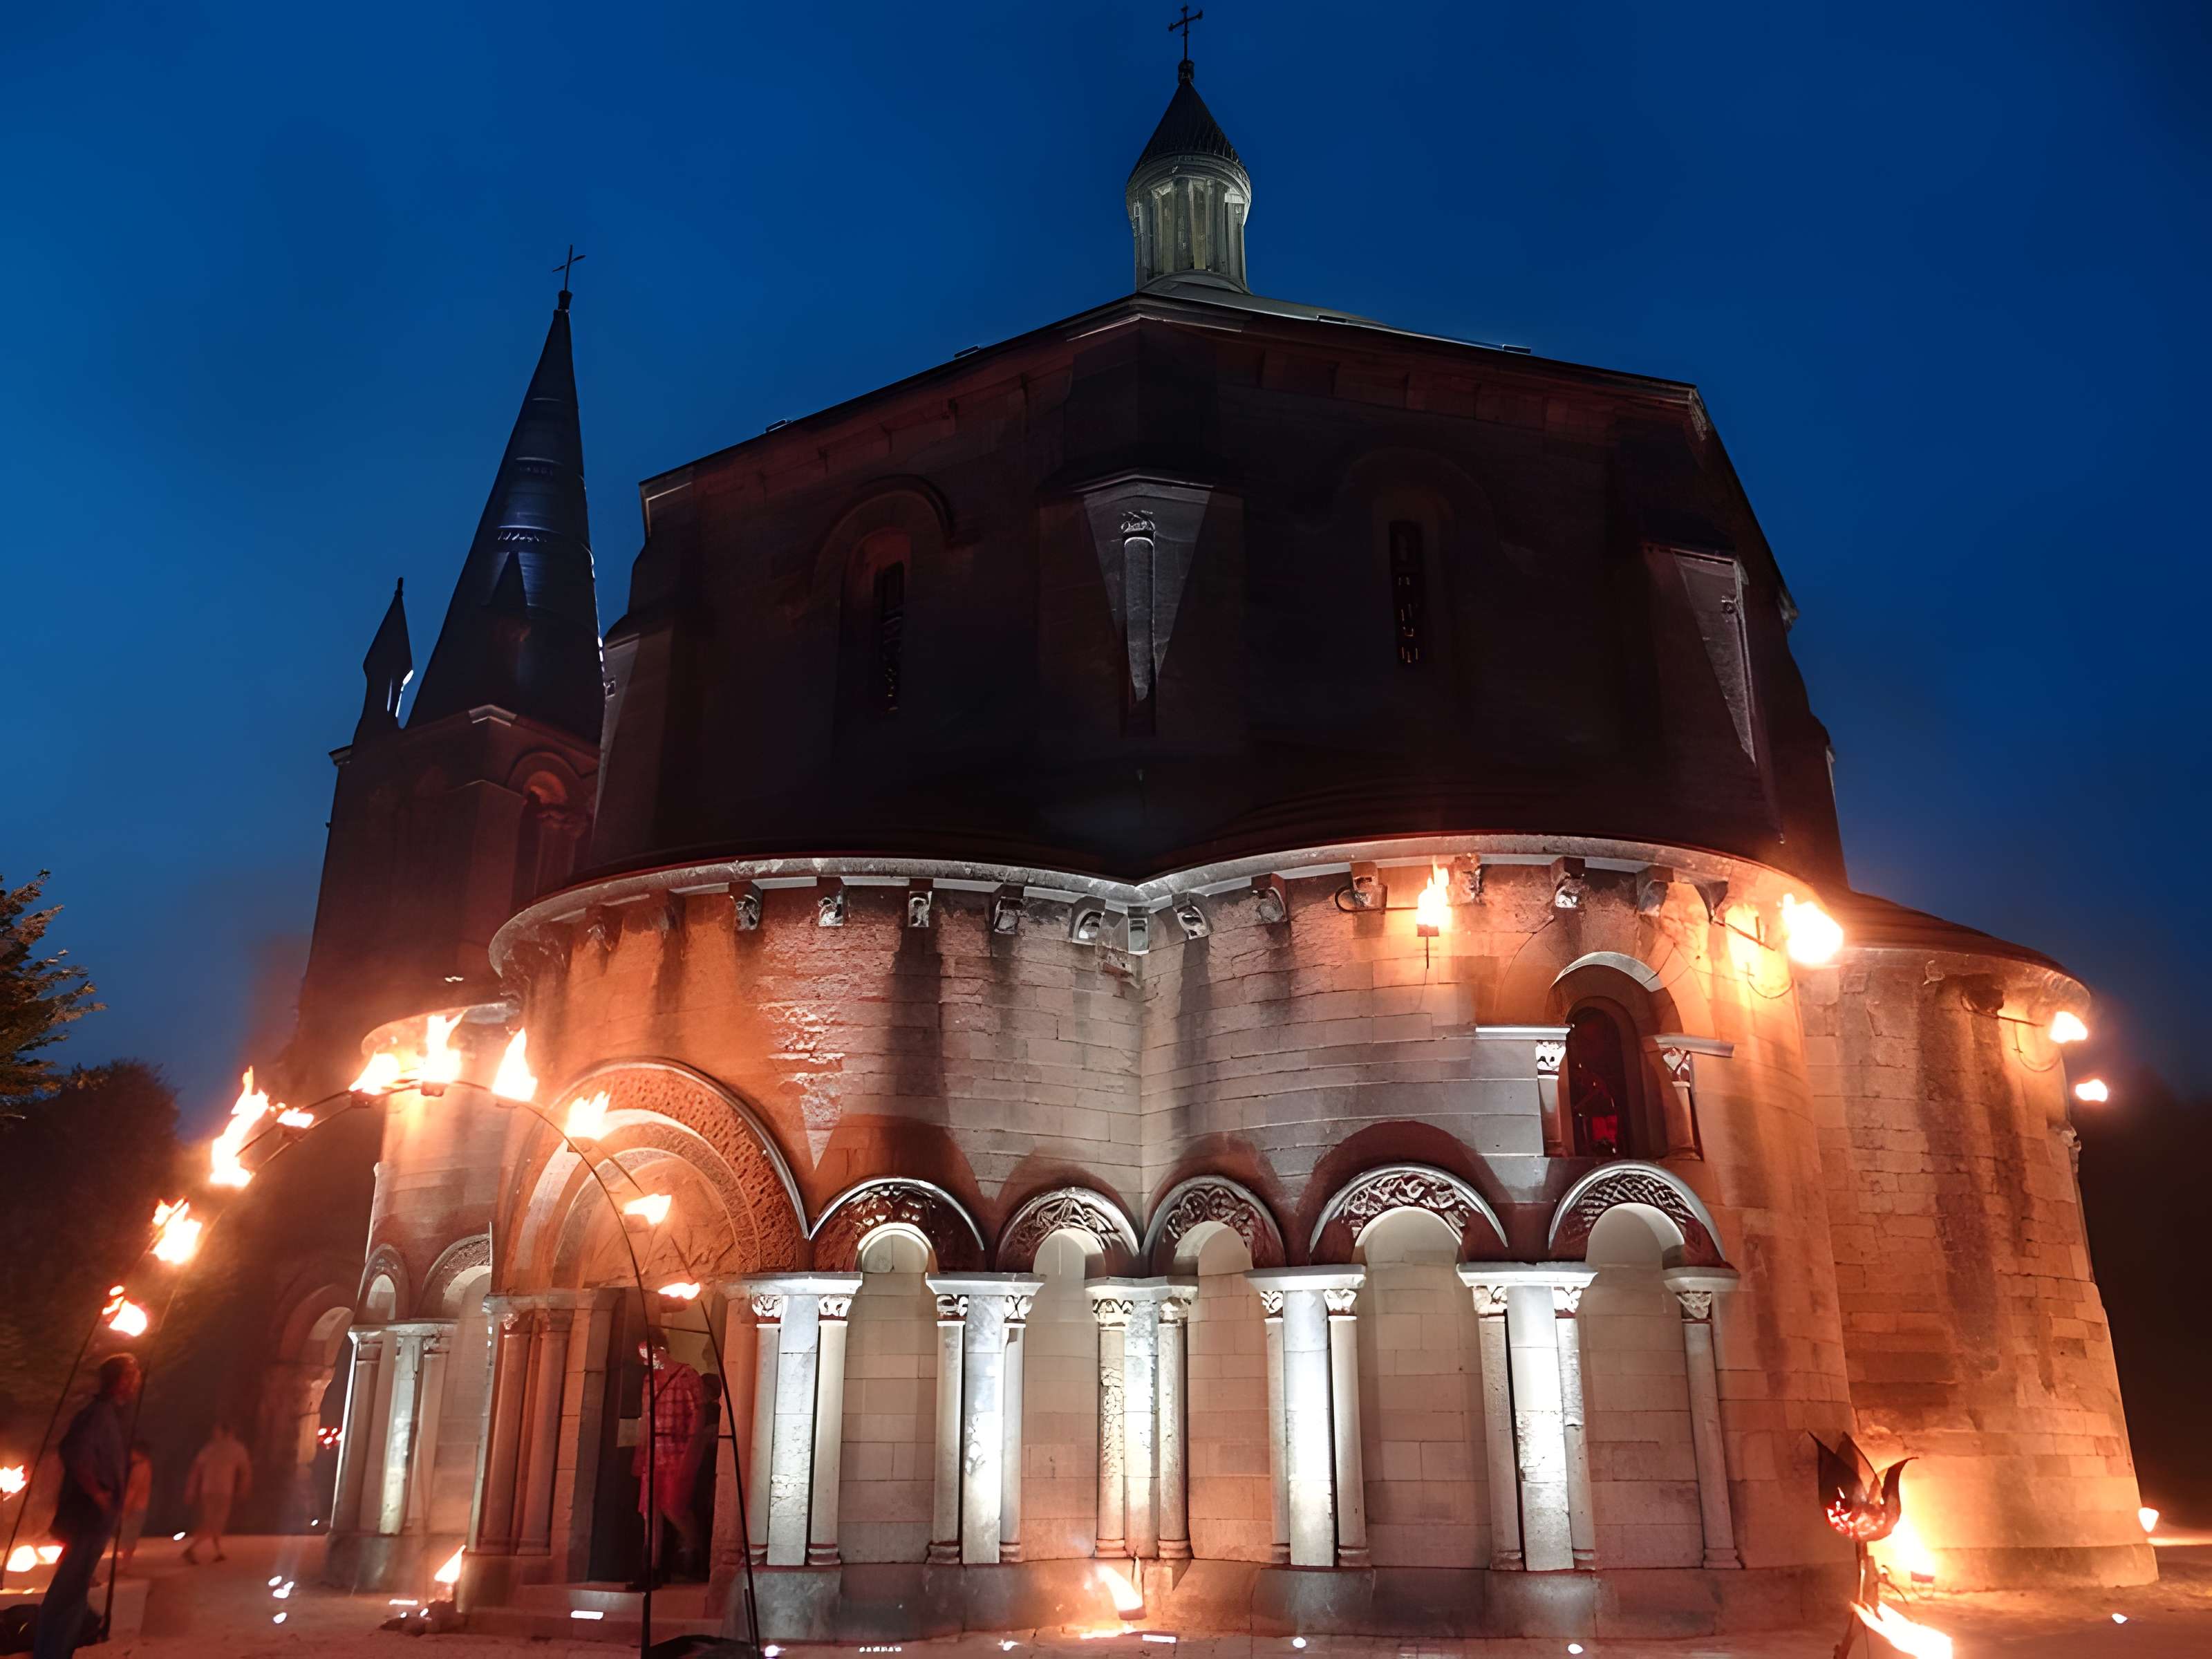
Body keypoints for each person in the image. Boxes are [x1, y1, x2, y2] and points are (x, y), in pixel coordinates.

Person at [32, 1353, 138, 1659]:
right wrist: (99, 1494)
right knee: (69, 1589)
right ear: (121, 1381)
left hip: (93, 1518)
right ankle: (50, 1652)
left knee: (76, 1588)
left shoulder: (106, 1415)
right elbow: (76, 1454)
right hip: (87, 1517)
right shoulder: (97, 1416)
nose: (136, 1382)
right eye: (133, 1376)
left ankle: (58, 1649)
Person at [628, 1337, 709, 1588]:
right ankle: (651, 1566)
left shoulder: (687, 1376)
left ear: (661, 1351)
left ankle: (696, 1552)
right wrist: (641, 1451)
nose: (646, 1361)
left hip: (678, 1449)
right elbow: (646, 1417)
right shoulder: (648, 1380)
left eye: (649, 1355)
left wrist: (691, 1452)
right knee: (649, 1510)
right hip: (654, 1451)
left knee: (674, 1507)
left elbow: (698, 1416)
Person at [180, 1422, 251, 1564]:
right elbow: (245, 1470)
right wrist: (244, 1488)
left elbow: (196, 1470)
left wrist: (191, 1489)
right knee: (216, 1522)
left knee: (212, 1520)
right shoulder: (237, 1448)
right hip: (224, 1491)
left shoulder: (210, 1448)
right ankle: (191, 1549)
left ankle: (218, 1551)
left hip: (208, 1490)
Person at [116, 1444, 153, 1571]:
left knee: (128, 1537)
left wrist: (126, 1507)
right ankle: (125, 1563)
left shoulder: (141, 1468)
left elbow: (134, 1489)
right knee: (129, 1536)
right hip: (139, 1507)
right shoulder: (145, 1465)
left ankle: (123, 1564)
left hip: (136, 1507)